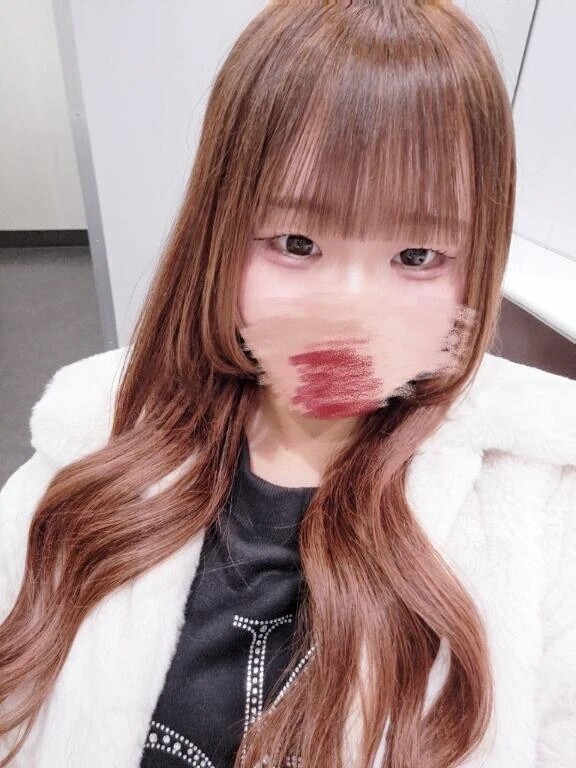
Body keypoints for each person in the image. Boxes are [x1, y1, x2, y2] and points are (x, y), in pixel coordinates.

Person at [0, 2, 575, 767]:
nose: (351, 315)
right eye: (297, 243)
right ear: (219, 233)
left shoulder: (545, 504)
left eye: (417, 257)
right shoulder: (90, 435)